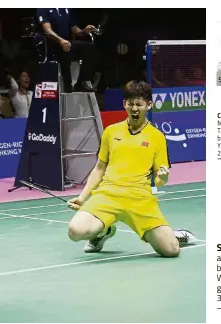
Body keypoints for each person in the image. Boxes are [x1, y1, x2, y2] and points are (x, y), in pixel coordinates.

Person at [67, 80, 196, 256]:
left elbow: (159, 177)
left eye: (139, 104)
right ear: (124, 104)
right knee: (75, 231)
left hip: (139, 198)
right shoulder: (111, 132)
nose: (134, 109)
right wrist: (82, 197)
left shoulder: (157, 137)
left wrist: (163, 178)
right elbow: (99, 168)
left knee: (171, 251)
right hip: (108, 195)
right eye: (131, 104)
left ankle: (175, 236)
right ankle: (105, 232)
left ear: (148, 105)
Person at [37, 8, 97, 93]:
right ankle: (67, 85)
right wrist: (60, 40)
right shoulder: (43, 8)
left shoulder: (66, 8)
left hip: (67, 42)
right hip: (52, 44)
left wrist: (84, 31)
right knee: (66, 52)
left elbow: (74, 29)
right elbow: (47, 30)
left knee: (89, 47)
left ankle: (80, 83)